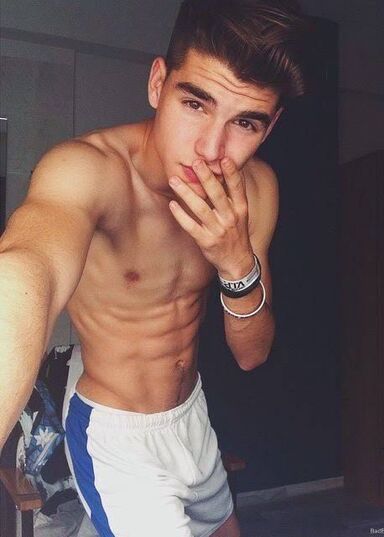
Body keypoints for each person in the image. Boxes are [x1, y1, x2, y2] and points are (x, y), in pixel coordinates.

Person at [0, 0, 310, 535]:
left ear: (271, 125)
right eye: (195, 104)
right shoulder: (87, 171)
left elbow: (252, 354)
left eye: (244, 123)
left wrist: (236, 261)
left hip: (192, 414)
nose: (211, 149)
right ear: (158, 84)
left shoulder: (257, 188)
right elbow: (26, 271)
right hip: (117, 434)